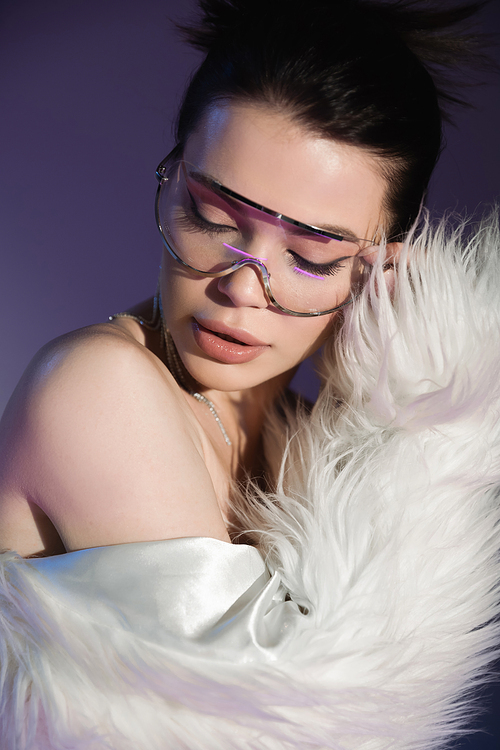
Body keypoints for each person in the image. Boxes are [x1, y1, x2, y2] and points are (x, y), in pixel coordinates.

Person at [0, 1, 499, 748]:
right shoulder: (99, 387)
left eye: (312, 259)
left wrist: (416, 388)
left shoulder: (305, 440)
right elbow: (296, 725)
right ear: (171, 182)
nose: (241, 287)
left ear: (380, 271)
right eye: (212, 218)